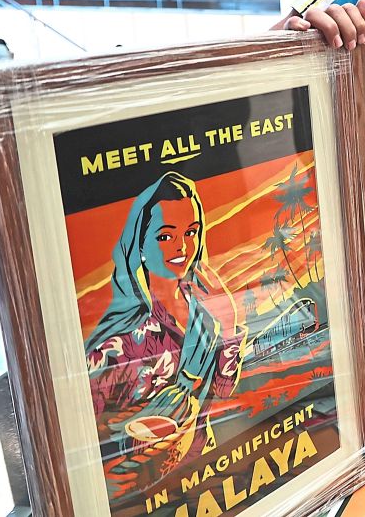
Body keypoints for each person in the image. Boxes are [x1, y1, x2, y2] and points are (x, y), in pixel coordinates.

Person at [85, 172, 243, 498]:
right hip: (150, 496)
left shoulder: (204, 313)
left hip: (211, 478)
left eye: (191, 232)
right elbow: (85, 444)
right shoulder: (122, 343)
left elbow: (223, 391)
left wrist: (229, 325)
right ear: (140, 246)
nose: (182, 247)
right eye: (165, 236)